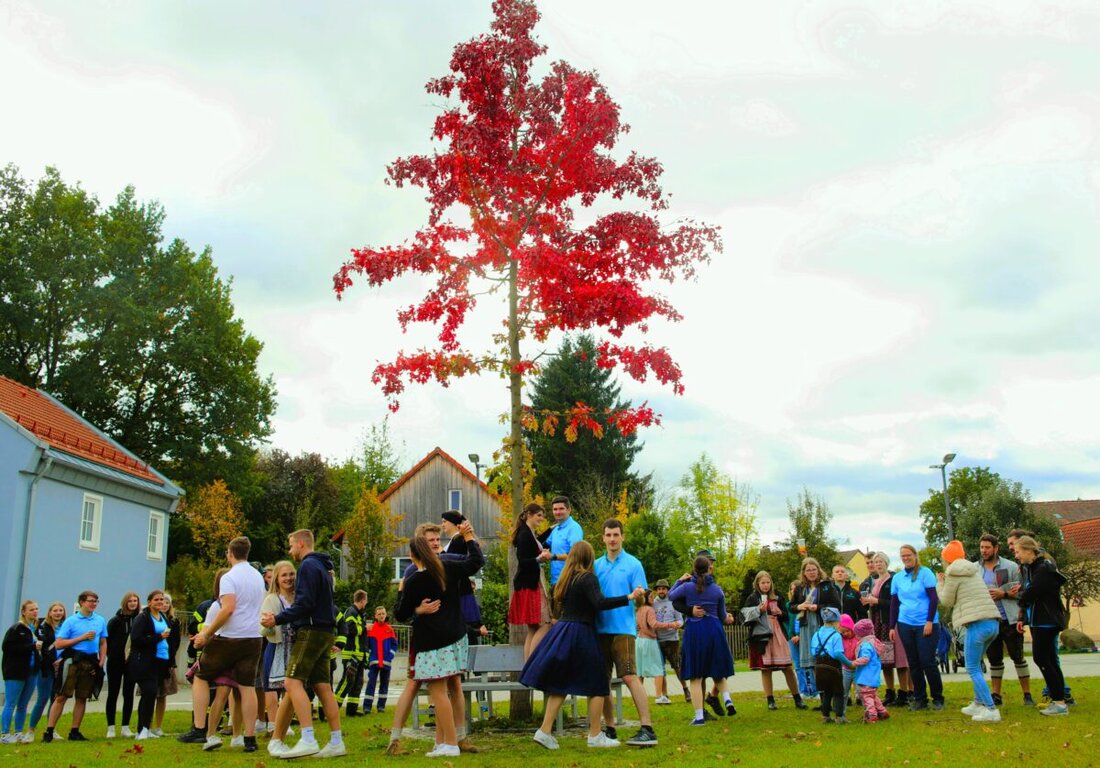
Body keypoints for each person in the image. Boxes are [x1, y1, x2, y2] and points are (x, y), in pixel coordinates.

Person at [520, 540, 643, 750]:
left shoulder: (566, 579)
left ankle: (544, 731)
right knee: (597, 683)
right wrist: (629, 597)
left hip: (564, 631)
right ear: (588, 557)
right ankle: (595, 735)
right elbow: (600, 603)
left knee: (560, 684)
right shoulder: (588, 578)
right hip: (581, 633)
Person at [385, 523, 478, 756]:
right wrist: (468, 538)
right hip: (438, 638)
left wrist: (414, 608)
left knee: (445, 688)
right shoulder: (421, 573)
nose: (436, 543)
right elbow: (404, 611)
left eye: (438, 539)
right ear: (421, 546)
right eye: (431, 541)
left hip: (439, 639)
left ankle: (451, 740)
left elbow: (400, 612)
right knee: (422, 685)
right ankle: (410, 739)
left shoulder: (440, 567)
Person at [261, 529, 345, 759]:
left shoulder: (308, 566)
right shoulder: (323, 567)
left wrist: (277, 618)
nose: (290, 551)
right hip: (326, 631)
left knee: (291, 682)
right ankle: (336, 741)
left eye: (290, 546)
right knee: (322, 686)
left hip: (311, 631)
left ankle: (308, 738)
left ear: (300, 543)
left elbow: (305, 603)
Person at [179, 536, 265, 753]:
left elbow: (227, 609)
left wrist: (206, 634)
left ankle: (199, 728)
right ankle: (249, 738)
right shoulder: (257, 577)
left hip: (230, 637)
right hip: (253, 638)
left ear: (229, 553)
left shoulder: (229, 577)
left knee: (200, 676)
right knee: (247, 687)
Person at [595, 518, 657, 746]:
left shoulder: (633, 564)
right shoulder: (595, 565)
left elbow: (641, 600)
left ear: (622, 537)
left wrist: (639, 595)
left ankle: (647, 728)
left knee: (630, 676)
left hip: (623, 630)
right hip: (599, 630)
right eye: (608, 535)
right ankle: (609, 729)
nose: (612, 539)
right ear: (603, 538)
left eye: (616, 535)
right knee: (602, 682)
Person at [936, 540, 1001, 722]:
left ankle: (990, 709)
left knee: (972, 667)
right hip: (992, 623)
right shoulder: (972, 570)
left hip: (977, 624)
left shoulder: (952, 572)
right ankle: (977, 703)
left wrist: (940, 583)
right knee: (976, 664)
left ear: (947, 559)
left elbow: (947, 601)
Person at [669, 556, 735, 726]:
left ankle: (699, 717)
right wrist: (727, 618)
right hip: (714, 630)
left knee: (696, 677)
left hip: (695, 630)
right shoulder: (718, 591)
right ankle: (727, 699)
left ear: (694, 569)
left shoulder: (687, 587)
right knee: (718, 670)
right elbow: (721, 616)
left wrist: (679, 580)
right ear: (709, 569)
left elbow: (670, 596)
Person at [1014, 535, 1070, 716]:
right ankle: (1059, 699)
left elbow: (1033, 591)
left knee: (1042, 658)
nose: (1017, 556)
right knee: (1050, 660)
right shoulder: (1032, 568)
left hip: (1046, 620)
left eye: (1018, 552)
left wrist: (1020, 597)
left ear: (1029, 551)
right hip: (1039, 620)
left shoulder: (1043, 568)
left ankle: (1059, 702)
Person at [42, 590, 107, 743]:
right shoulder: (71, 621)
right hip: (73, 660)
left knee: (82, 697)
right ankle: (49, 731)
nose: (93, 604)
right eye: (91, 601)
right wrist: (82, 638)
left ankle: (74, 731)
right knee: (61, 696)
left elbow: (103, 642)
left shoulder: (100, 620)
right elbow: (58, 644)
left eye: (96, 601)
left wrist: (102, 659)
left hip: (91, 662)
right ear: (82, 602)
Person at [976, 534, 1034, 707]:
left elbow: (1023, 592)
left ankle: (1027, 694)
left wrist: (1004, 594)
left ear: (996, 548)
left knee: (1018, 657)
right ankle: (996, 694)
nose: (984, 551)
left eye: (987, 547)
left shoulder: (1011, 566)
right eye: (981, 547)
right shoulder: (975, 569)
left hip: (1010, 618)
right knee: (994, 658)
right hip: (989, 618)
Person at [889, 544, 943, 711]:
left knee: (927, 661)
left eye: (908, 555)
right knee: (913, 662)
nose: (906, 558)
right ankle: (920, 698)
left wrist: (929, 621)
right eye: (903, 556)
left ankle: (937, 698)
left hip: (926, 624)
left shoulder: (925, 573)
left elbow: (934, 599)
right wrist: (892, 626)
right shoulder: (897, 578)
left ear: (915, 555)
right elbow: (894, 603)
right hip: (905, 623)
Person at [742, 571, 805, 711]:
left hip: (778, 633)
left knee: (787, 667)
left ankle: (797, 698)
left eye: (768, 582)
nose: (765, 585)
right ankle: (770, 700)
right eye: (763, 583)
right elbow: (744, 616)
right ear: (758, 584)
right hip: (762, 635)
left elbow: (787, 615)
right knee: (766, 669)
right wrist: (759, 610)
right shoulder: (753, 598)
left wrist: (780, 613)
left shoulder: (778, 596)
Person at [863, 551, 911, 706]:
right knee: (885, 659)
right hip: (878, 622)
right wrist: (870, 602)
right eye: (875, 562)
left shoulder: (893, 579)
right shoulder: (875, 581)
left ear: (886, 563)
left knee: (899, 658)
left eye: (880, 561)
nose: (877, 564)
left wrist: (876, 601)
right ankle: (890, 691)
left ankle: (904, 692)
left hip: (891, 622)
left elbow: (895, 602)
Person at [128, 590, 172, 740]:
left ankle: (146, 727)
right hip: (145, 662)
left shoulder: (162, 617)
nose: (160, 602)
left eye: (162, 599)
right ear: (150, 602)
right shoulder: (143, 618)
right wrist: (159, 637)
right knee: (149, 692)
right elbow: (137, 639)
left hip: (160, 660)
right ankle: (142, 730)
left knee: (152, 694)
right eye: (156, 600)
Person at [509, 503, 551, 659]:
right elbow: (523, 560)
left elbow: (538, 542)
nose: (541, 518)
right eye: (539, 515)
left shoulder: (529, 533)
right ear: (529, 515)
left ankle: (527, 666)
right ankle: (532, 664)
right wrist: (539, 559)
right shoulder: (524, 535)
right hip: (529, 586)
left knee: (533, 628)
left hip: (527, 584)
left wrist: (551, 529)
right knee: (546, 623)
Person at [259, 560, 295, 740]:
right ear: (277, 579)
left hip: (295, 647)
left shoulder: (299, 598)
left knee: (291, 689)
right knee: (272, 688)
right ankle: (273, 724)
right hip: (276, 646)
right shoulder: (271, 599)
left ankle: (285, 723)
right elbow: (264, 630)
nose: (288, 578)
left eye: (291, 574)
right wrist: (269, 624)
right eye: (284, 575)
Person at [791, 557, 834, 693]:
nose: (811, 572)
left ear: (818, 570)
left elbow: (836, 605)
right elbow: (791, 606)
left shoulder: (827, 585)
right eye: (808, 570)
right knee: (813, 663)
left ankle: (831, 692)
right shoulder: (800, 588)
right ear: (804, 572)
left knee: (825, 661)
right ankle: (822, 696)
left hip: (823, 625)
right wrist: (800, 606)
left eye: (814, 569)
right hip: (806, 626)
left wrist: (818, 607)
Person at [2, 601, 41, 744]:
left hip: (31, 671)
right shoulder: (17, 629)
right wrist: (31, 646)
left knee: (23, 704)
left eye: (36, 609)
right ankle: (5, 733)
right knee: (11, 702)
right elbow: (8, 647)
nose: (35, 612)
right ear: (24, 612)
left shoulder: (35, 629)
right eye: (31, 610)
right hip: (15, 671)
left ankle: (18, 732)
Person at [26, 601, 64, 742]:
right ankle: (30, 730)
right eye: (55, 610)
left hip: (61, 667)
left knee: (55, 700)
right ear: (50, 612)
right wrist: (52, 662)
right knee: (42, 699)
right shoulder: (43, 627)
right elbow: (42, 648)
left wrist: (61, 661)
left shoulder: (65, 626)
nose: (58, 613)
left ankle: (51, 729)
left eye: (60, 610)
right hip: (46, 669)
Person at [810, 607, 856, 724]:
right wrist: (849, 664)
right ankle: (839, 717)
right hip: (833, 666)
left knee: (826, 692)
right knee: (838, 691)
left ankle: (825, 716)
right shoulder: (836, 635)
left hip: (819, 665)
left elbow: (813, 651)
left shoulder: (817, 634)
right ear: (836, 622)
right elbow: (837, 653)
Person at [105, 591, 140, 738]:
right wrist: (111, 655)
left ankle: (125, 726)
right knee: (113, 693)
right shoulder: (115, 621)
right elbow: (106, 641)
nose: (133, 603)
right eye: (130, 601)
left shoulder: (139, 620)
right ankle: (111, 727)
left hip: (131, 662)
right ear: (125, 602)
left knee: (128, 693)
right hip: (115, 661)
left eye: (135, 601)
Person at [650, 579, 687, 704]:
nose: (661, 591)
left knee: (677, 666)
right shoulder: (653, 603)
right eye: (659, 589)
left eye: (664, 588)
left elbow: (681, 620)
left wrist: (678, 624)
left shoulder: (673, 602)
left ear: (667, 590)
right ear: (656, 590)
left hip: (672, 639)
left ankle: (685, 689)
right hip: (658, 640)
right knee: (660, 669)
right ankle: (664, 694)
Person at [335, 590, 369, 717]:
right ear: (362, 600)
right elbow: (350, 629)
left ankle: (351, 711)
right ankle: (333, 708)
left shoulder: (359, 613)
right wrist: (365, 628)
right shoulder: (351, 612)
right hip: (351, 654)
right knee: (347, 682)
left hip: (359, 654)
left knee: (357, 684)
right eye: (366, 600)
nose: (366, 603)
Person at [152, 593, 181, 737]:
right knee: (150, 693)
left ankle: (158, 726)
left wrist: (171, 660)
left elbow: (175, 643)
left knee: (162, 694)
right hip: (152, 660)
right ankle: (147, 724)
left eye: (166, 602)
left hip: (167, 660)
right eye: (161, 601)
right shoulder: (149, 619)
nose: (164, 605)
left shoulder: (173, 622)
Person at [539, 495, 584, 586]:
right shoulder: (556, 529)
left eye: (561, 509)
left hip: (569, 581)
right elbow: (543, 546)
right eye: (555, 509)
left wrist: (553, 556)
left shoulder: (574, 528)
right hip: (556, 581)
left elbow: (575, 555)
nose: (557, 512)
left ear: (569, 510)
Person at [852, 619, 889, 723]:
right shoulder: (874, 642)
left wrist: (854, 662)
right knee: (873, 696)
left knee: (867, 697)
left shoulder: (866, 645)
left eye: (857, 634)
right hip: (873, 676)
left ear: (862, 635)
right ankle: (882, 711)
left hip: (866, 676)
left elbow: (865, 658)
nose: (856, 637)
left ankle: (872, 715)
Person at [363, 606, 396, 713]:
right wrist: (368, 657)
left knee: (384, 685)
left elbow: (394, 645)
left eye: (383, 613)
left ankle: (381, 706)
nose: (382, 615)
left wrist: (390, 656)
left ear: (386, 615)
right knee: (371, 684)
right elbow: (366, 646)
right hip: (374, 662)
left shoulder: (390, 629)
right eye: (379, 614)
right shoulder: (371, 629)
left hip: (386, 662)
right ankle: (367, 707)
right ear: (375, 616)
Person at [634, 590, 666, 690]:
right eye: (651, 597)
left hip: (638, 641)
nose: (653, 599)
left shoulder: (638, 609)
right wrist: (671, 625)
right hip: (649, 641)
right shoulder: (649, 609)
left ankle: (639, 697)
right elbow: (654, 624)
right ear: (646, 598)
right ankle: (659, 696)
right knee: (658, 669)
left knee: (639, 671)